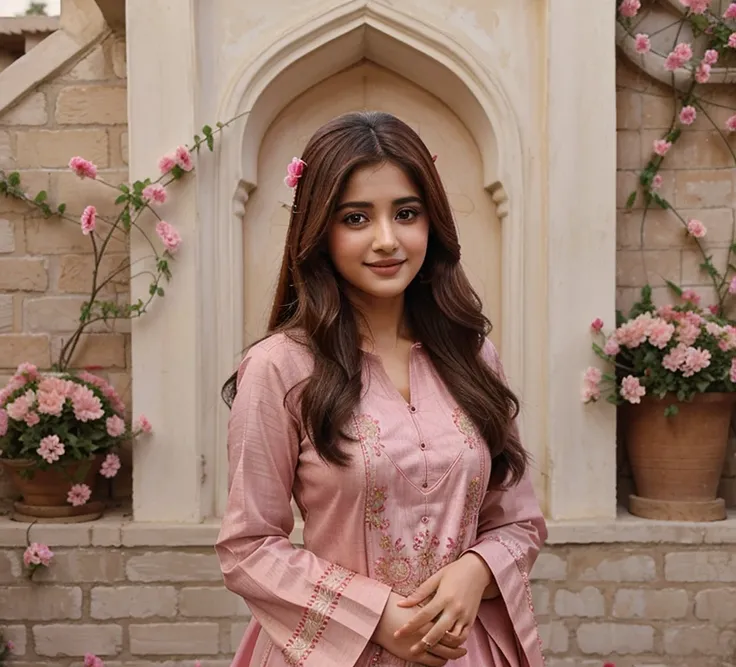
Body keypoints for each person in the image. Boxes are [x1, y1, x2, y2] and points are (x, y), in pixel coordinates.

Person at [216, 110, 547, 667]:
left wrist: (476, 571)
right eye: (356, 218)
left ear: (431, 223)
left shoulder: (472, 356)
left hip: (462, 651)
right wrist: (376, 617)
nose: (387, 240)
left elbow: (517, 520)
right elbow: (248, 547)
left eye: (407, 213)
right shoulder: (281, 366)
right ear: (319, 231)